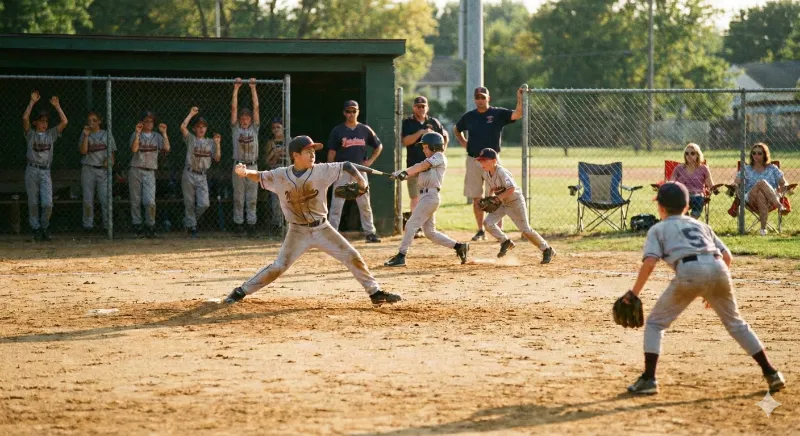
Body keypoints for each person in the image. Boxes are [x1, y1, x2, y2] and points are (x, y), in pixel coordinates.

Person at [624, 182, 785, 395]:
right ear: (687, 205)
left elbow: (650, 262)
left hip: (689, 270)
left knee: (655, 323)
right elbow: (728, 256)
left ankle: (649, 379)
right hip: (719, 269)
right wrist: (713, 290)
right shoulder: (701, 226)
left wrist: (634, 293)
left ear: (660, 207)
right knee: (736, 324)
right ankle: (771, 372)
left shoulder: (658, 229)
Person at [223, 135, 401, 307]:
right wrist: (245, 172)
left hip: (323, 228)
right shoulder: (281, 175)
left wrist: (361, 182)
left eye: (313, 151)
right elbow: (260, 176)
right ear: (296, 155)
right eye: (308, 151)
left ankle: (375, 293)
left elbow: (347, 165)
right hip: (297, 232)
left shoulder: (321, 170)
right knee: (279, 266)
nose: (313, 154)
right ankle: (240, 291)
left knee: (352, 256)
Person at [384, 132, 468, 267]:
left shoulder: (439, 157)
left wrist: (405, 172)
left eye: (425, 147)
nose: (423, 149)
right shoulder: (429, 161)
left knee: (411, 225)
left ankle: (401, 256)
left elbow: (421, 166)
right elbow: (415, 170)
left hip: (430, 196)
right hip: (426, 197)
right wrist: (400, 174)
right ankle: (459, 246)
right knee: (430, 233)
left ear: (434, 147)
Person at [453, 86, 523, 241]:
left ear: (488, 98)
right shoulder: (469, 116)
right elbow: (456, 129)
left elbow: (518, 114)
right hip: (473, 160)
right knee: (477, 197)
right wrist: (464, 143)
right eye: (477, 97)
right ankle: (480, 230)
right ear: (474, 99)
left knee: (497, 194)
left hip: (493, 161)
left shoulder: (497, 114)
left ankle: (498, 231)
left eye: (483, 97)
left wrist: (520, 97)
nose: (480, 100)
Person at [475, 148, 555, 264]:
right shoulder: (486, 173)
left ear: (494, 161)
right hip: (502, 203)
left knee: (525, 230)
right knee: (488, 223)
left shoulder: (502, 172)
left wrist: (497, 198)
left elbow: (511, 189)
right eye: (480, 161)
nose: (481, 163)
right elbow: (493, 187)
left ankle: (547, 249)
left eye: (484, 160)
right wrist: (489, 198)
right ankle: (505, 241)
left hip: (515, 202)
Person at [327, 100, 382, 243]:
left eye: (354, 111)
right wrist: (330, 170)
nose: (351, 114)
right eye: (348, 111)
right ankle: (332, 235)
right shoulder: (338, 130)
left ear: (358, 112)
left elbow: (378, 145)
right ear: (344, 113)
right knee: (337, 204)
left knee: (364, 203)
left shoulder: (364, 129)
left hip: (359, 171)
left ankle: (370, 233)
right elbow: (332, 152)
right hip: (343, 170)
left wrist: (370, 161)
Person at [22, 90, 68, 242]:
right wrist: (31, 102)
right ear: (36, 122)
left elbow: (64, 122)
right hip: (32, 169)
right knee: (33, 202)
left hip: (45, 171)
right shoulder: (31, 134)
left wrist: (58, 106)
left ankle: (44, 227)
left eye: (46, 121)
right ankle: (35, 228)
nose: (44, 124)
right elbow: (25, 118)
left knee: (48, 203)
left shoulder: (51, 134)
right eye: (41, 121)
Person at [401, 96, 448, 239]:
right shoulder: (408, 123)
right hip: (414, 166)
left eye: (423, 106)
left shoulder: (434, 122)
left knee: (431, 195)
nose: (421, 109)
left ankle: (428, 227)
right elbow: (405, 141)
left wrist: (441, 154)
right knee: (415, 197)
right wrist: (421, 132)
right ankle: (417, 228)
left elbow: (444, 137)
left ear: (427, 107)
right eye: (418, 106)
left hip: (432, 168)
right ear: (414, 108)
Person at [731, 142, 791, 236]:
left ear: (765, 154)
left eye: (759, 153)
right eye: (754, 153)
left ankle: (763, 230)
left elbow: (784, 183)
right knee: (761, 182)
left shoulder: (773, 168)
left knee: (761, 195)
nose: (756, 155)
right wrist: (734, 185)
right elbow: (736, 182)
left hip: (771, 199)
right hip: (750, 198)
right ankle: (780, 207)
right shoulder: (746, 169)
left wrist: (785, 187)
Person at [180, 107, 221, 238]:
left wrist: (218, 143)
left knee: (204, 204)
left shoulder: (210, 142)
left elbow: (217, 158)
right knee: (189, 203)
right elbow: (182, 127)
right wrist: (191, 113)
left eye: (203, 126)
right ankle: (192, 227)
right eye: (198, 126)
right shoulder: (191, 139)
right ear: (194, 128)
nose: (201, 129)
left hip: (202, 175)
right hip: (189, 173)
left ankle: (189, 221)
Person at [129, 110, 170, 238]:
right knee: (136, 200)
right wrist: (137, 133)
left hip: (150, 171)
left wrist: (164, 133)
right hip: (135, 169)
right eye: (146, 121)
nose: (149, 123)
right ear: (141, 123)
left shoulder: (157, 136)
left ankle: (150, 225)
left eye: (151, 121)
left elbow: (167, 148)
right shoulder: (136, 134)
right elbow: (134, 149)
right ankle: (137, 225)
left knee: (150, 201)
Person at [231, 77, 261, 237]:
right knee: (238, 198)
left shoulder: (254, 129)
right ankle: (238, 224)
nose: (244, 120)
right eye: (242, 118)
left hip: (252, 165)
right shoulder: (236, 129)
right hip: (238, 165)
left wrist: (252, 88)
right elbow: (234, 108)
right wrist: (236, 88)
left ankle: (251, 224)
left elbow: (256, 108)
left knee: (252, 198)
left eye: (247, 118)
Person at [79, 111, 115, 234]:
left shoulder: (106, 134)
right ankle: (88, 226)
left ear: (100, 121)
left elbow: (112, 155)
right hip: (88, 168)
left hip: (102, 170)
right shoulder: (85, 134)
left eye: (94, 120)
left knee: (105, 199)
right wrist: (86, 136)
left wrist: (109, 162)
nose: (91, 123)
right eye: (89, 121)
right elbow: (83, 151)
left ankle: (107, 226)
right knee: (88, 199)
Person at [669, 143, 714, 220]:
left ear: (697, 155)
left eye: (692, 153)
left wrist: (715, 189)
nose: (689, 155)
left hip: (697, 195)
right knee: (679, 200)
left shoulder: (703, 168)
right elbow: (671, 181)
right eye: (686, 153)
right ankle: (686, 220)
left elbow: (710, 183)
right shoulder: (679, 168)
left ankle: (690, 221)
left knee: (698, 199)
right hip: (682, 194)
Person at [264, 117, 286, 232]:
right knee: (276, 201)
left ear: (283, 128)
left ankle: (288, 223)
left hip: (287, 172)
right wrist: (275, 153)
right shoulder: (270, 143)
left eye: (278, 127)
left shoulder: (289, 141)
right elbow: (267, 161)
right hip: (275, 172)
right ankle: (277, 224)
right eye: (274, 128)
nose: (276, 129)